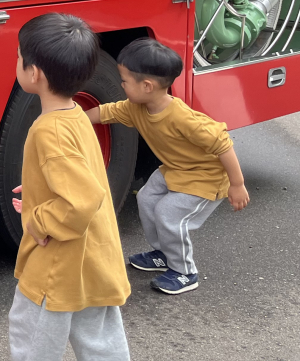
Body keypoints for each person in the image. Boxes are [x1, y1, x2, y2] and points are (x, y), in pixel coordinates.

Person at [84, 37, 249, 295]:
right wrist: (72, 119)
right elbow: (105, 113)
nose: (121, 85)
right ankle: (163, 254)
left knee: (169, 214)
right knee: (146, 199)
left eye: (124, 81)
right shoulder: (136, 107)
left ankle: (185, 272)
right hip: (175, 169)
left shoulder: (183, 118)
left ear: (147, 86)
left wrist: (237, 185)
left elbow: (223, 144)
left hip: (206, 178)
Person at [9, 13, 130, 361]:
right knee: (100, 344)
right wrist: (40, 188)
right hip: (95, 258)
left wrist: (39, 219)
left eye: (18, 56)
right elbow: (80, 176)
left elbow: (81, 200)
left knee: (31, 338)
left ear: (35, 74)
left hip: (57, 266)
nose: (16, 61)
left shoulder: (49, 130)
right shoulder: (75, 114)